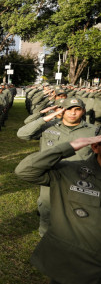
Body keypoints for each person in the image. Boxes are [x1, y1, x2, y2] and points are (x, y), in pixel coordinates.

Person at [15, 135, 101, 284]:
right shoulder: (70, 171)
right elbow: (25, 171)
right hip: (76, 266)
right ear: (95, 147)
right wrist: (70, 146)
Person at [17, 97, 97, 237]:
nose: (73, 113)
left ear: (83, 111)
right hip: (52, 176)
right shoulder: (49, 127)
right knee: (47, 211)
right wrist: (47, 117)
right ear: (62, 111)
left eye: (77, 110)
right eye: (68, 109)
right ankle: (46, 241)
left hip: (78, 178)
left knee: (78, 215)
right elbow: (23, 134)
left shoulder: (93, 131)